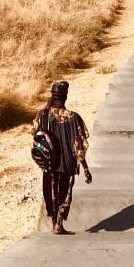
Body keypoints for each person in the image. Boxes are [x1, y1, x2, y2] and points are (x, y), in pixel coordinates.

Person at [35, 80, 91, 234]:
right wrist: (85, 168)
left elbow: (36, 135)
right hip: (67, 163)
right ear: (65, 97)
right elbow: (79, 145)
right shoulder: (74, 118)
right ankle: (59, 223)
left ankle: (54, 224)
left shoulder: (42, 115)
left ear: (52, 96)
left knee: (51, 193)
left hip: (49, 163)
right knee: (65, 193)